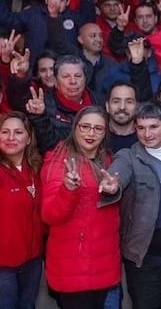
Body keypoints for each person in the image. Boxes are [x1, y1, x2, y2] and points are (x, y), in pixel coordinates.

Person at [98, 102, 161, 308]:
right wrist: (112, 187)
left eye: (153, 127)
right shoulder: (129, 157)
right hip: (144, 258)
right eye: (141, 128)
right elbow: (118, 173)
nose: (147, 134)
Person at [40, 106, 121, 309]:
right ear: (75, 128)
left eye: (98, 129)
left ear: (105, 133)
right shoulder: (60, 161)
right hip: (73, 270)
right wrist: (68, 189)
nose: (91, 133)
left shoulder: (109, 160)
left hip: (105, 266)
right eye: (85, 127)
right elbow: (49, 215)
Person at [0, 112, 44, 309]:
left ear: (28, 139)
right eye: (4, 132)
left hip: (33, 261)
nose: (11, 138)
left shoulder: (36, 169)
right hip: (3, 266)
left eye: (18, 132)